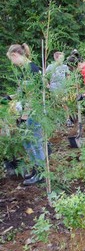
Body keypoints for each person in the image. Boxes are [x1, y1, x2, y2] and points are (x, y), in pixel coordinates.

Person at [6, 43, 45, 185]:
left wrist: (24, 117)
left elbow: (32, 96)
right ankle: (36, 170)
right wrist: (9, 97)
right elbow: (22, 91)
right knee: (27, 142)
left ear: (15, 55)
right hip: (28, 111)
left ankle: (41, 174)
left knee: (35, 142)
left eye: (11, 59)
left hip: (33, 112)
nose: (12, 63)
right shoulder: (25, 69)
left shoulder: (31, 69)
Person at [46, 51, 72, 126]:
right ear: (56, 58)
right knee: (56, 104)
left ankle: (67, 120)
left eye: (63, 58)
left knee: (64, 104)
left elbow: (68, 75)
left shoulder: (65, 67)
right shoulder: (50, 66)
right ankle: (57, 120)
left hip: (63, 88)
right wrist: (47, 84)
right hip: (54, 88)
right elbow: (45, 76)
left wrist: (68, 83)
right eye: (61, 58)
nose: (62, 59)